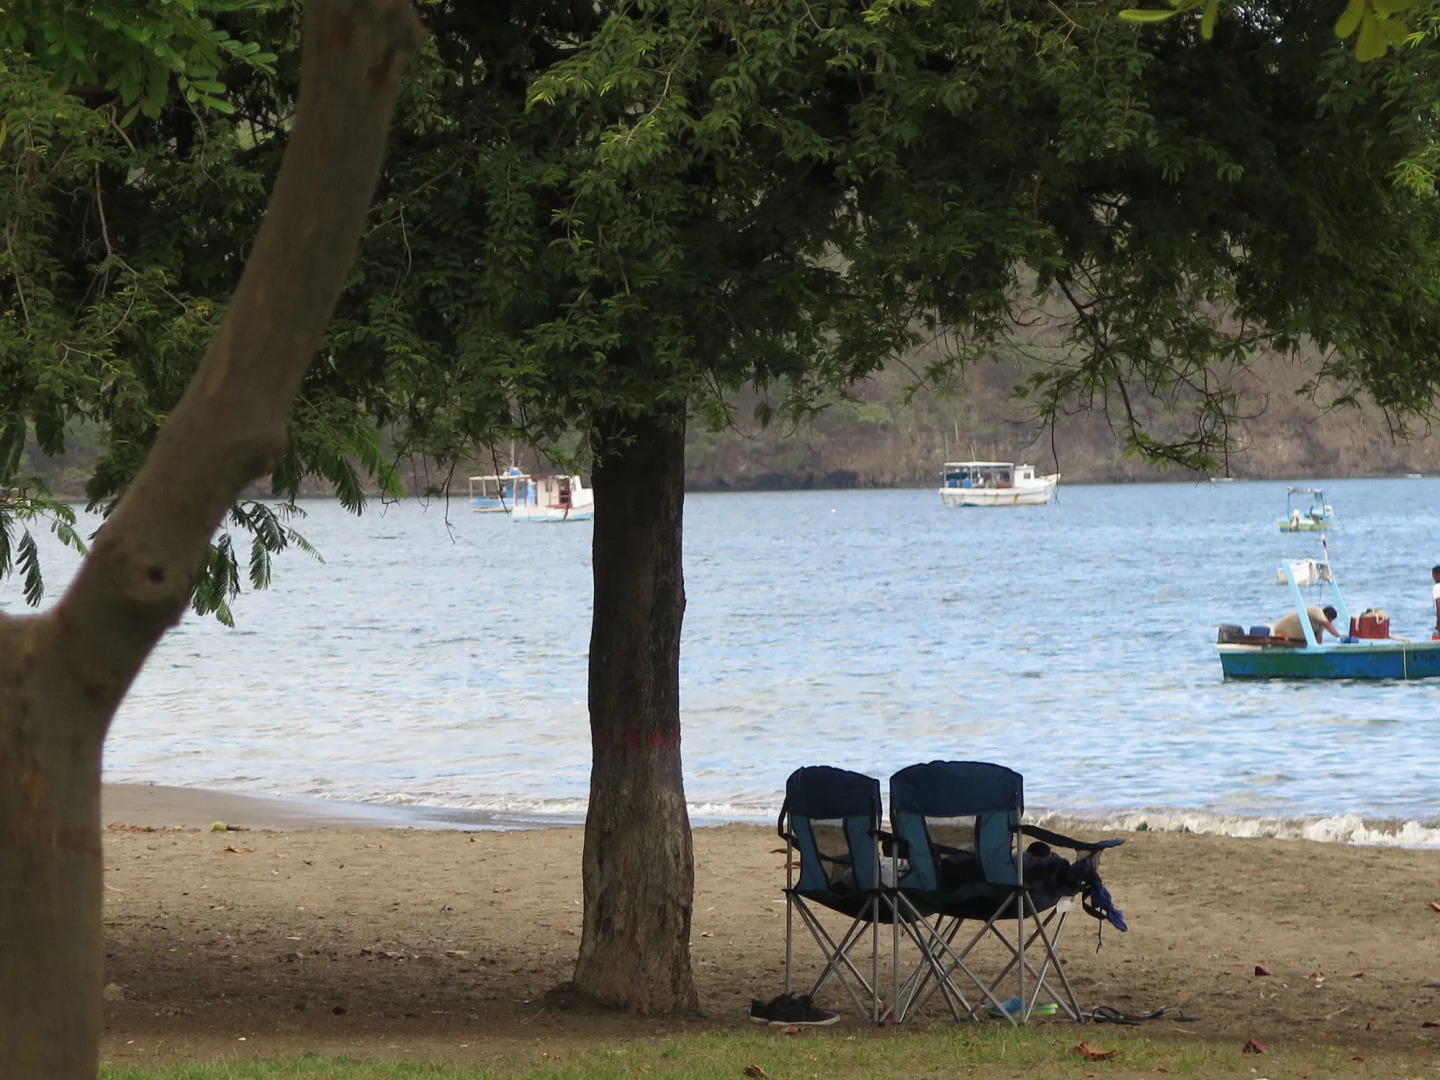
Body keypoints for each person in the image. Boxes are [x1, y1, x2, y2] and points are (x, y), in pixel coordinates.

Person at [1271, 604, 1341, 643]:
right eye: (1330, 620)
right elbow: (1328, 625)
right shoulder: (1316, 610)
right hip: (1279, 633)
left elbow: (1319, 638)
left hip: (1294, 640)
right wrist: (1339, 636)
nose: (1330, 622)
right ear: (1327, 614)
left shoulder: (1320, 624)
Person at [1431, 565, 1440, 640]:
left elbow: (1439, 606)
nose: (1433, 578)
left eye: (1434, 575)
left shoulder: (1437, 587)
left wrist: (1439, 624)